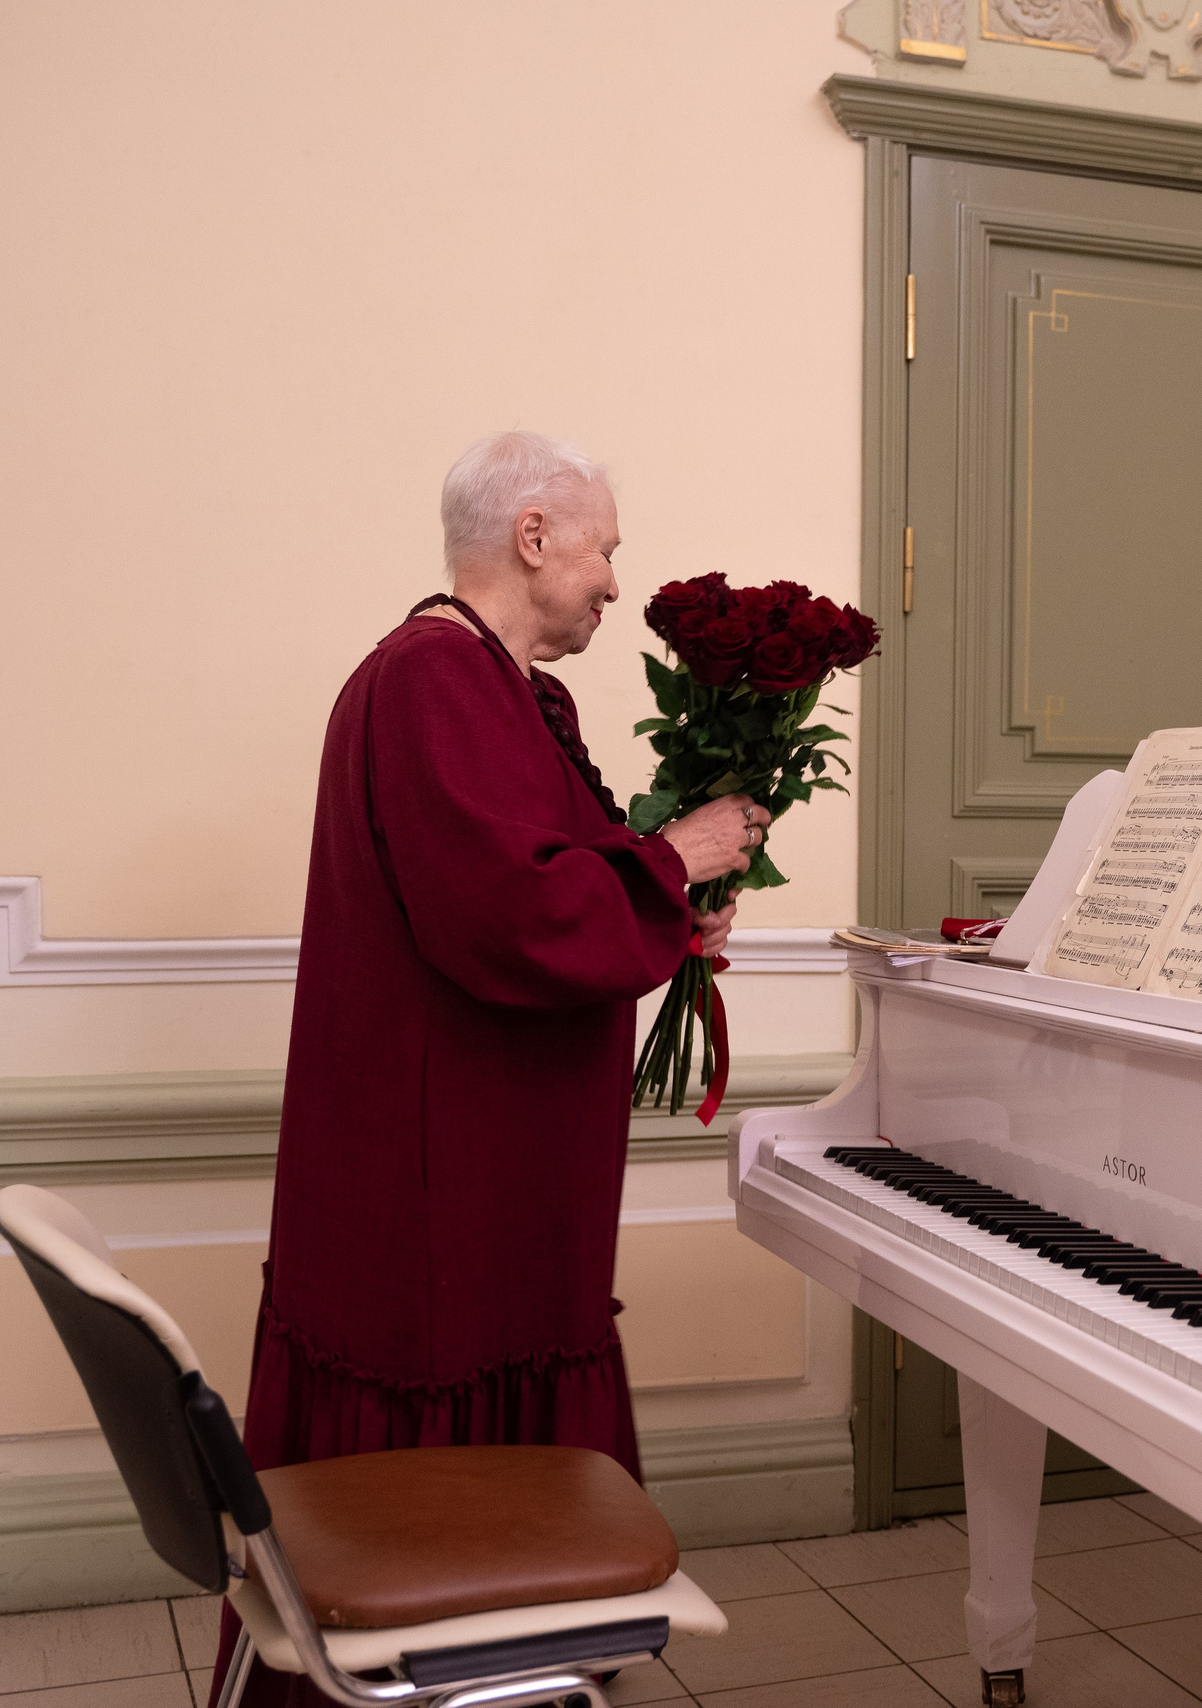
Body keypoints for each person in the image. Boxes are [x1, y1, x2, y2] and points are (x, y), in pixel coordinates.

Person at [215, 432, 767, 1704]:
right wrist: (675, 858)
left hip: (492, 1170)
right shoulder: (431, 677)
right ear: (531, 537)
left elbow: (557, 878)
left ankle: (518, 1664)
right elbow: (502, 913)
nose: (615, 581)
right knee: (440, 1457)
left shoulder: (515, 690)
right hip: (442, 1191)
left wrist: (668, 909)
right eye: (604, 549)